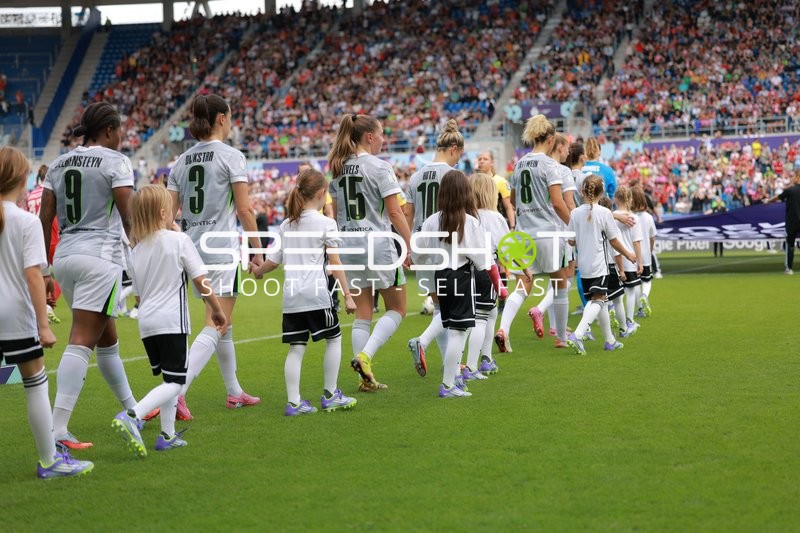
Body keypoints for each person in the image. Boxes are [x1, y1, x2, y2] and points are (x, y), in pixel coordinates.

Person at [39, 101, 139, 451]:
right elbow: (129, 218)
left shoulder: (58, 163)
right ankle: (58, 431)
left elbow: (44, 217)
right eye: (120, 130)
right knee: (81, 338)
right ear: (109, 130)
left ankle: (134, 410)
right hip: (101, 256)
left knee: (107, 338)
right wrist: (144, 256)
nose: (122, 136)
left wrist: (43, 268)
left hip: (65, 256)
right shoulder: (116, 162)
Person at [111, 185, 228, 457]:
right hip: (172, 320)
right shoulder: (180, 241)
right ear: (164, 213)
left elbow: (138, 296)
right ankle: (133, 416)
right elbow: (201, 279)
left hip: (147, 324)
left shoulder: (136, 251)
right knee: (175, 383)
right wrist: (217, 309)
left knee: (168, 379)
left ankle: (167, 434)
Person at [0, 146, 94, 479]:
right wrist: (44, 325)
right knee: (36, 385)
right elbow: (34, 276)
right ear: (21, 179)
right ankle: (49, 460)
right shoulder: (25, 222)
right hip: (14, 316)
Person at [167, 94, 261, 412]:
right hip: (220, 251)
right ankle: (177, 390)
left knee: (225, 324)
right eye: (230, 116)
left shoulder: (180, 162)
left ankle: (234, 391)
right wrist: (257, 251)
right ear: (221, 118)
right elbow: (245, 209)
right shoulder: (231, 156)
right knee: (216, 323)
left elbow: (167, 219)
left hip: (190, 250)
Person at [252, 169, 358, 415]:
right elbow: (335, 262)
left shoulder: (286, 225)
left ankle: (294, 402)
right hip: (317, 295)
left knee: (296, 348)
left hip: (291, 299)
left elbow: (273, 261)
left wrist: (258, 271)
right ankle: (331, 394)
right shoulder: (326, 223)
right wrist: (348, 295)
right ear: (322, 193)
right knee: (334, 339)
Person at [328, 113, 411, 391]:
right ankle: (365, 357)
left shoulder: (338, 168)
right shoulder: (380, 167)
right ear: (370, 137)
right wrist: (409, 245)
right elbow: (395, 212)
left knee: (363, 312)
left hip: (348, 245)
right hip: (377, 245)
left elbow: (338, 214)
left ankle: (364, 378)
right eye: (382, 133)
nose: (385, 139)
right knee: (398, 308)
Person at [413, 170, 498, 397]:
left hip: (440, 276)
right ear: (464, 194)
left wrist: (415, 260)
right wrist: (496, 283)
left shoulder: (432, 220)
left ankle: (452, 382)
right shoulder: (469, 222)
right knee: (458, 333)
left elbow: (417, 253)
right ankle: (448, 384)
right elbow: (483, 259)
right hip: (460, 277)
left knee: (450, 327)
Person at [495, 115, 570, 353]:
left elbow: (515, 199)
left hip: (524, 235)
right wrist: (574, 227)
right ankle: (561, 337)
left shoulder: (519, 164)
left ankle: (503, 330)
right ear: (550, 139)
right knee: (559, 284)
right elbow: (558, 203)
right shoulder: (550, 165)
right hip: (548, 231)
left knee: (522, 286)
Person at [405, 119, 464, 377]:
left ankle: (447, 364)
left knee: (440, 308)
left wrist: (408, 249)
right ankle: (424, 342)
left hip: (421, 245)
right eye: (459, 155)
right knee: (456, 310)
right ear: (453, 148)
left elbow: (408, 215)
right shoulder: (452, 176)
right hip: (445, 246)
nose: (459, 161)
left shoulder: (416, 176)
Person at [566, 176, 637, 355]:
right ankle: (578, 334)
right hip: (599, 264)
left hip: (583, 265)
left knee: (600, 301)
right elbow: (614, 240)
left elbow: (571, 241)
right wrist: (628, 253)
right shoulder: (605, 213)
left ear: (582, 192)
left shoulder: (575, 213)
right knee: (598, 301)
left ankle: (609, 340)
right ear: (602, 193)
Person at [529, 133, 577, 347]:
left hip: (529, 230)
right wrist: (576, 229)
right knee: (563, 279)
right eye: (567, 148)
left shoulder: (528, 164)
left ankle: (555, 326)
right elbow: (567, 204)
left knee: (551, 280)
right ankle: (558, 333)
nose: (569, 152)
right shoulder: (561, 170)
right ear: (558, 147)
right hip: (558, 229)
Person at [463, 172, 508, 377]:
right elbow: (505, 246)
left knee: (488, 314)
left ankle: (486, 357)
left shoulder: (466, 216)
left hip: (464, 271)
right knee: (482, 318)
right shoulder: (495, 217)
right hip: (486, 270)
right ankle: (473, 365)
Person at [25, 164, 61, 324]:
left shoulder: (31, 194)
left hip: (32, 237)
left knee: (40, 273)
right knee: (52, 275)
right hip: (50, 236)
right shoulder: (51, 191)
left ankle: (44, 304)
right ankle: (45, 306)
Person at [613, 186, 644, 335]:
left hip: (614, 259)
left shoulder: (611, 215)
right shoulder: (634, 218)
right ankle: (629, 321)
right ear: (630, 199)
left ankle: (616, 317)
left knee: (616, 293)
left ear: (616, 199)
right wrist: (640, 262)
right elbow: (637, 241)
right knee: (631, 292)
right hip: (629, 258)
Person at [765, 173, 800, 274]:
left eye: (794, 176)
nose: (792, 178)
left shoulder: (790, 191)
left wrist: (768, 201)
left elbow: (778, 197)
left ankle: (789, 268)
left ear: (798, 177)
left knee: (790, 245)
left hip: (792, 221)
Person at [631, 186, 657, 316]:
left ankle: (639, 307)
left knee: (635, 283)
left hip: (631, 256)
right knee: (646, 280)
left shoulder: (627, 217)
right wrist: (650, 250)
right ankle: (644, 296)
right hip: (645, 254)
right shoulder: (648, 217)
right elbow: (653, 237)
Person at [476, 150, 516, 228]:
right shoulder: (474, 182)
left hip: (497, 224)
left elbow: (508, 206)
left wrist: (512, 227)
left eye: (485, 159)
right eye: (480, 159)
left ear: (492, 162)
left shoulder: (500, 181)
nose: (481, 161)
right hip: (480, 225)